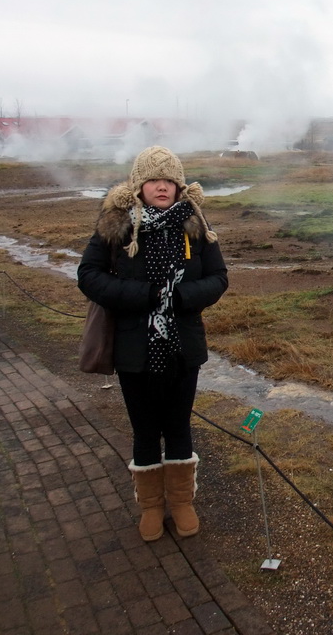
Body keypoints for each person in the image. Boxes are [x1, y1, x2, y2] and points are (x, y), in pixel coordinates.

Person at [77, 145, 228, 541]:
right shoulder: (116, 225)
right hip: (134, 348)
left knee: (178, 425)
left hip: (183, 346)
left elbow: (218, 277)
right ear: (139, 185)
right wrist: (141, 295)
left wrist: (183, 298)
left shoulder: (195, 224)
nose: (162, 187)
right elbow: (88, 275)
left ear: (179, 186)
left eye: (169, 181)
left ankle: (180, 502)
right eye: (153, 180)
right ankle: (150, 507)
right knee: (145, 430)